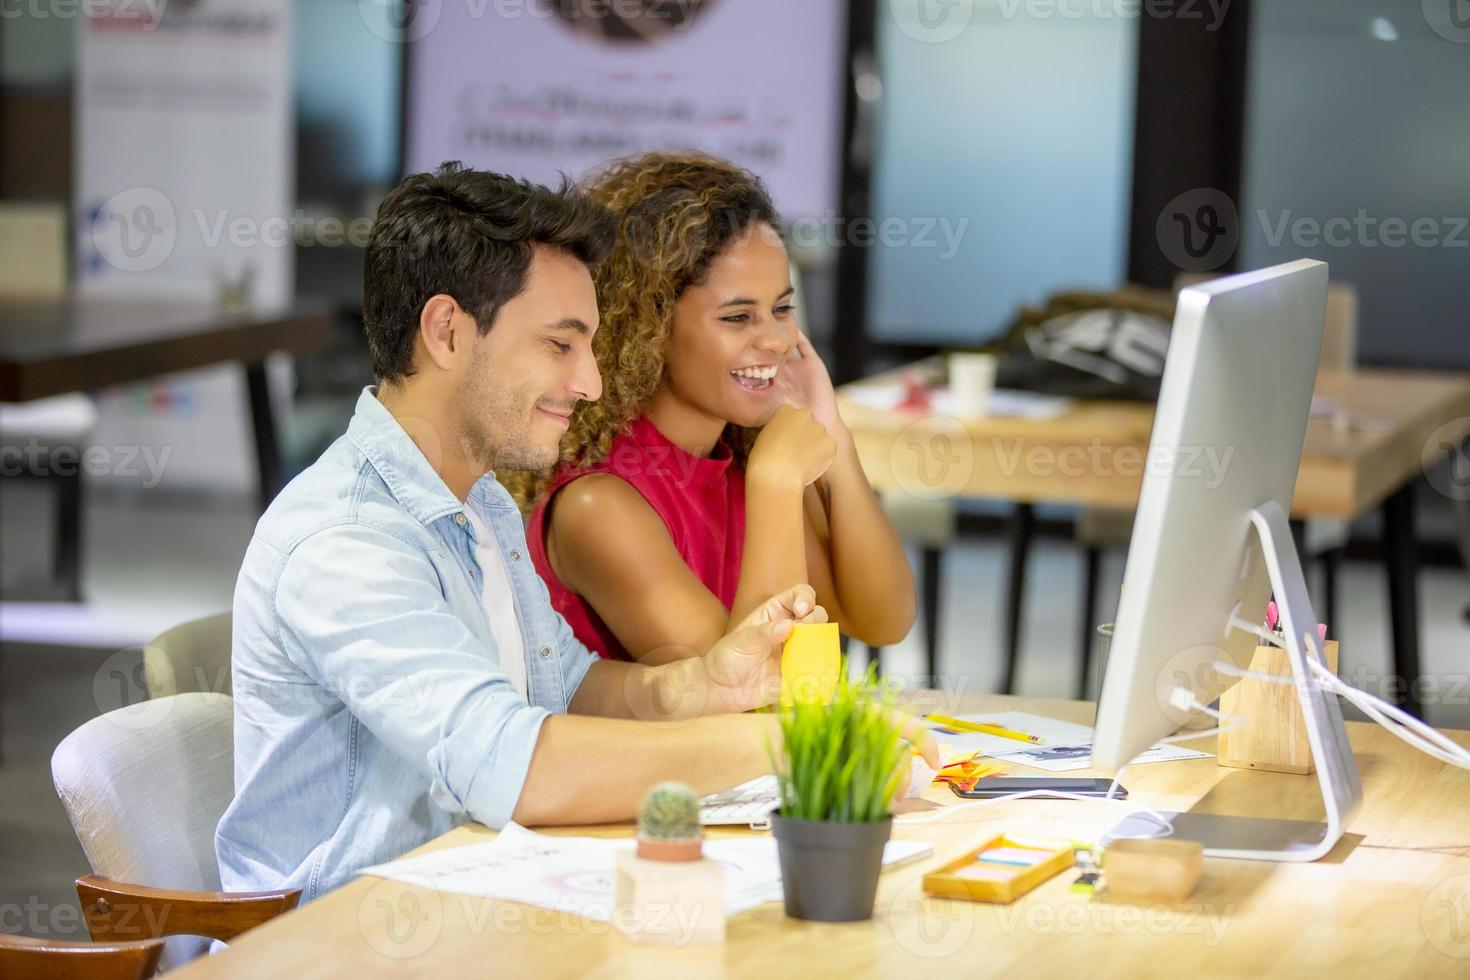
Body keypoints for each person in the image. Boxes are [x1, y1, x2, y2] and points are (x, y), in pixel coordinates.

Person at [216, 162, 936, 901]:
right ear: (447, 332)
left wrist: (701, 686)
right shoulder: (348, 540)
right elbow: (509, 765)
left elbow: (566, 684)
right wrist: (788, 747)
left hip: (475, 908)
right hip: (346, 945)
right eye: (560, 346)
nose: (592, 382)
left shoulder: (481, 503)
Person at [513, 153, 916, 665]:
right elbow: (750, 699)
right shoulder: (599, 505)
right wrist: (775, 483)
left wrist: (834, 440)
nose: (775, 340)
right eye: (738, 317)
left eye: (782, 309)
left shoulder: (745, 456)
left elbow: (883, 620)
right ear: (649, 327)